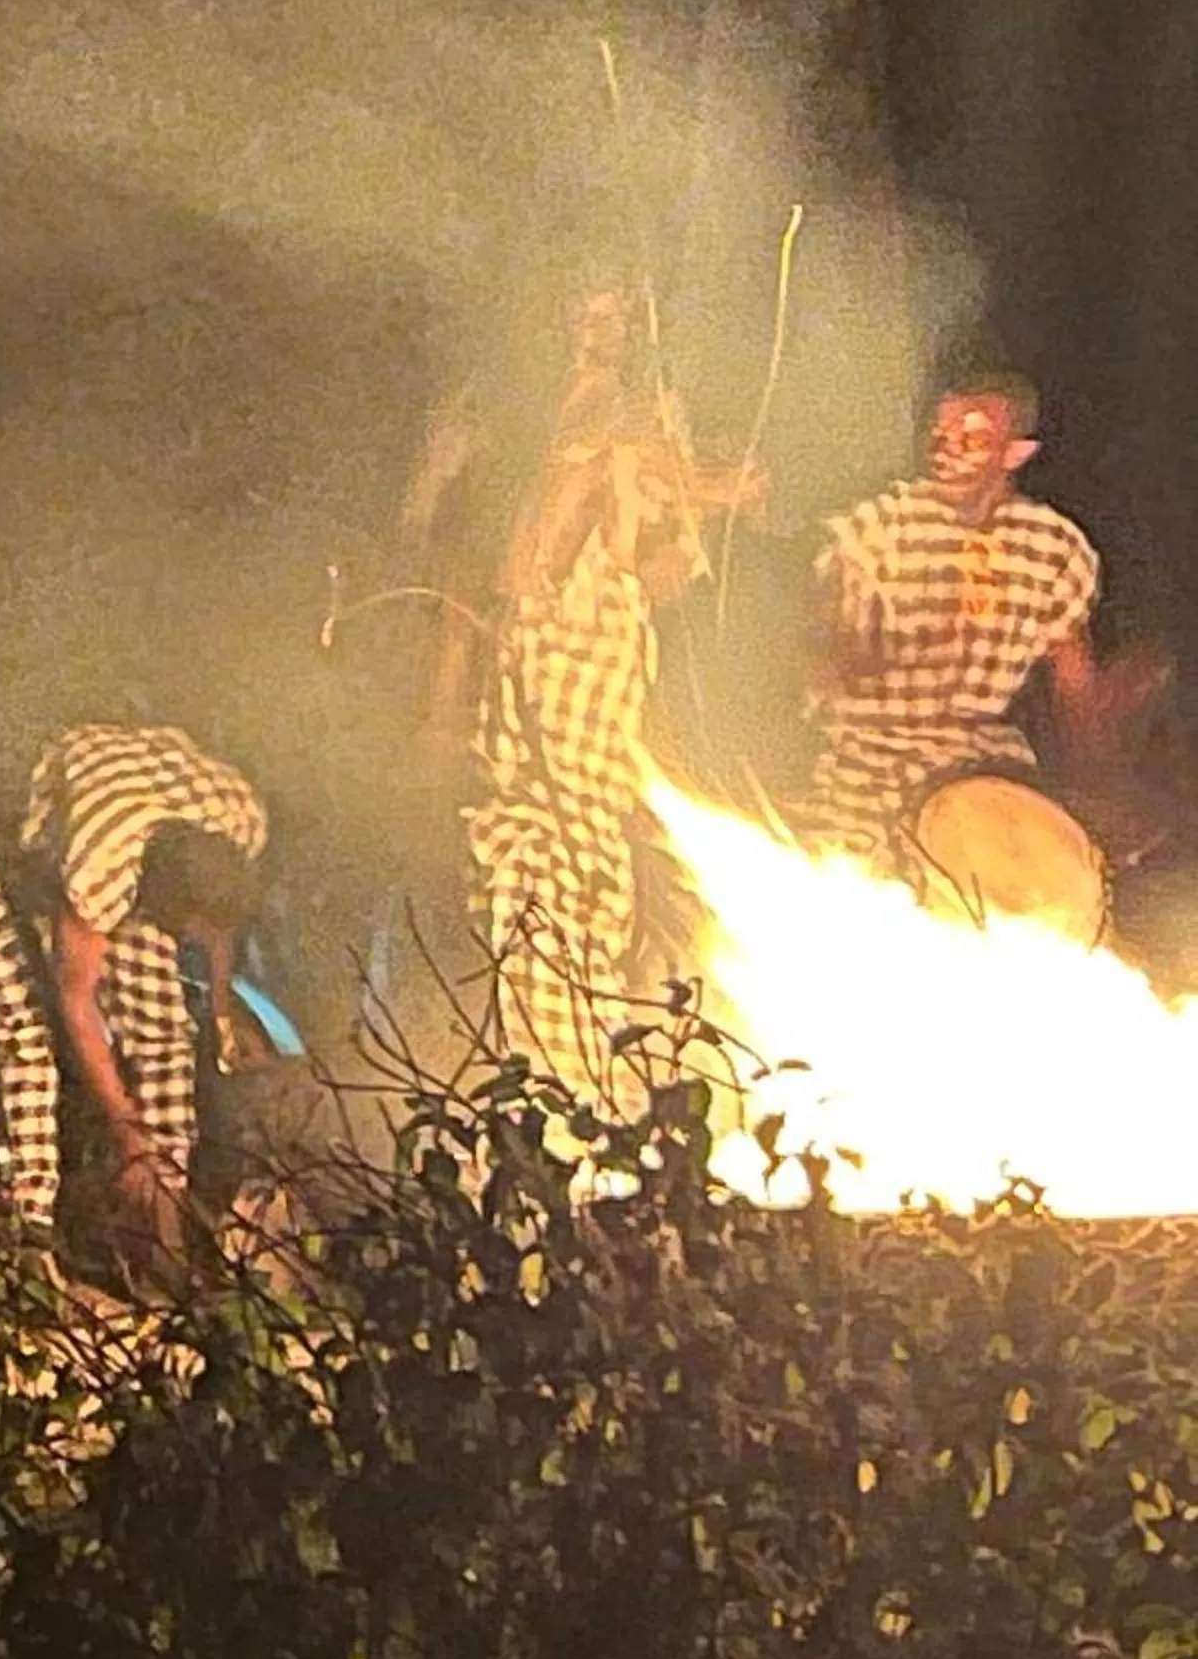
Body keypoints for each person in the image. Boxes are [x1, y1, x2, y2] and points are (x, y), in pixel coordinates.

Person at [422, 268, 756, 1094]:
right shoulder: (523, 416)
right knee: (543, 850)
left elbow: (658, 564)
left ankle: (587, 1084)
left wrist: (701, 520)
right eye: (582, 310)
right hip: (552, 640)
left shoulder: (652, 417)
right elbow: (507, 555)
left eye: (613, 314)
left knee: (597, 867)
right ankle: (555, 1089)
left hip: (607, 647)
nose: (595, 329)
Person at [0, 723, 268, 1275]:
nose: (189, 941)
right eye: (181, 929)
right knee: (26, 1032)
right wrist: (127, 1130)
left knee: (164, 1029)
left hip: (122, 825)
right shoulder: (104, 864)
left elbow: (219, 928)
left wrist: (220, 1015)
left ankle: (159, 1216)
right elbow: (78, 1003)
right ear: (155, 899)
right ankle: (30, 1228)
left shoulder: (239, 820)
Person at [804, 372, 1155, 859]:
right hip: (872, 761)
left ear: (1014, 454)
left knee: (1031, 887)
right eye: (941, 435)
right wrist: (856, 651)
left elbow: (1072, 686)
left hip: (984, 764)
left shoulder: (1054, 546)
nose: (947, 450)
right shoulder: (876, 529)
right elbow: (824, 657)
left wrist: (1104, 777)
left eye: (971, 438)